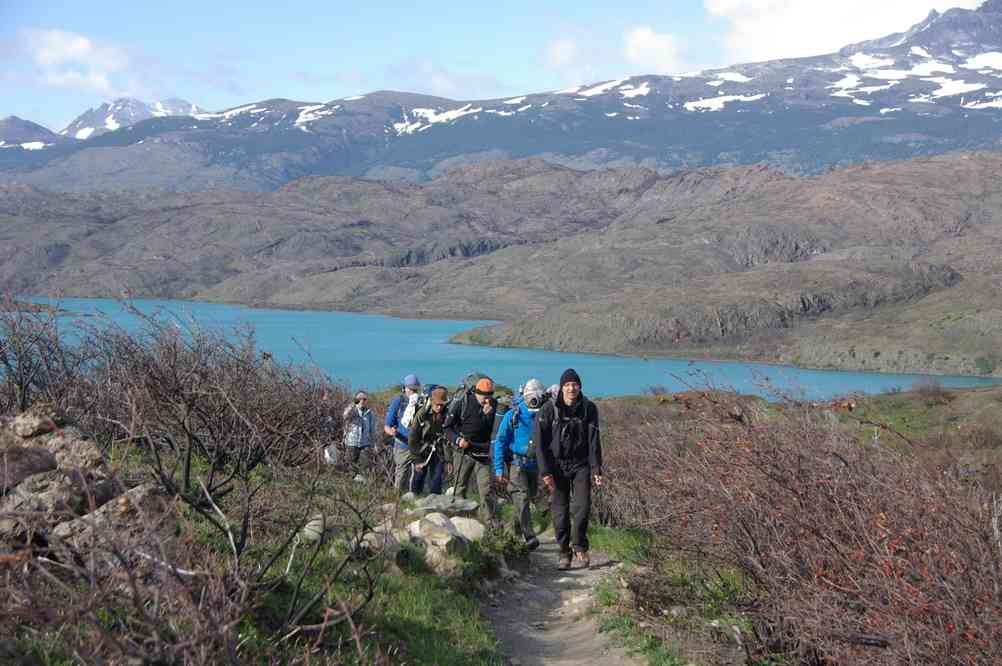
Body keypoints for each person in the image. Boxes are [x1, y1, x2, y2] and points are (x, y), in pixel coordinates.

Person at [533, 368, 602, 570]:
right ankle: (564, 552)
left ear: (580, 386)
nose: (572, 388)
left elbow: (593, 440)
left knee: (583, 507)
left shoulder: (589, 409)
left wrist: (596, 468)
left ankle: (579, 545)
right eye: (568, 385)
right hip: (556, 466)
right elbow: (540, 443)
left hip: (580, 465)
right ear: (562, 387)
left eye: (575, 384)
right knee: (560, 513)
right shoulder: (548, 409)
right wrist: (545, 472)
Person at [493, 378, 547, 551]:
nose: (533, 400)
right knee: (522, 497)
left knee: (527, 497)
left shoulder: (545, 414)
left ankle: (512, 529)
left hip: (535, 465)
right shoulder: (513, 414)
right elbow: (500, 441)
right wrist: (499, 468)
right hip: (517, 465)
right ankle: (529, 536)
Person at [446, 376, 498, 522]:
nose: (487, 399)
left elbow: (495, 430)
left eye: (490, 395)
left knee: (486, 491)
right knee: (460, 487)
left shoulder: (494, 405)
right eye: (484, 396)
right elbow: (447, 428)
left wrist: (488, 416)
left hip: (483, 453)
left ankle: (488, 524)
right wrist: (458, 440)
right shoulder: (463, 402)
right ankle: (458, 520)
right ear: (476, 392)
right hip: (463, 451)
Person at [407, 386, 451, 495]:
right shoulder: (422, 414)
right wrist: (416, 460)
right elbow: (413, 437)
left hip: (439, 451)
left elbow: (448, 439)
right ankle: (414, 501)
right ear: (431, 402)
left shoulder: (448, 415)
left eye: (442, 404)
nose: (439, 407)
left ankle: (435, 504)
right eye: (437, 404)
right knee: (418, 478)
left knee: (436, 480)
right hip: (421, 451)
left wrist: (449, 460)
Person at [385, 373, 422, 494]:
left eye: (415, 389)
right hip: (402, 445)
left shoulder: (421, 403)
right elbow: (387, 425)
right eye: (411, 389)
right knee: (401, 474)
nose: (413, 392)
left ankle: (414, 498)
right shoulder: (398, 401)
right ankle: (397, 499)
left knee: (418, 475)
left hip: (418, 445)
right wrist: (392, 432)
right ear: (405, 388)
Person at [343, 390, 376, 481]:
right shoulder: (352, 411)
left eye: (364, 399)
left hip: (365, 444)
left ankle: (361, 488)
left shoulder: (369, 414)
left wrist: (373, 444)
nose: (362, 401)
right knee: (351, 467)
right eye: (360, 399)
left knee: (364, 467)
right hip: (351, 442)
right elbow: (345, 416)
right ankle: (349, 487)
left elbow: (372, 430)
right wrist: (353, 404)